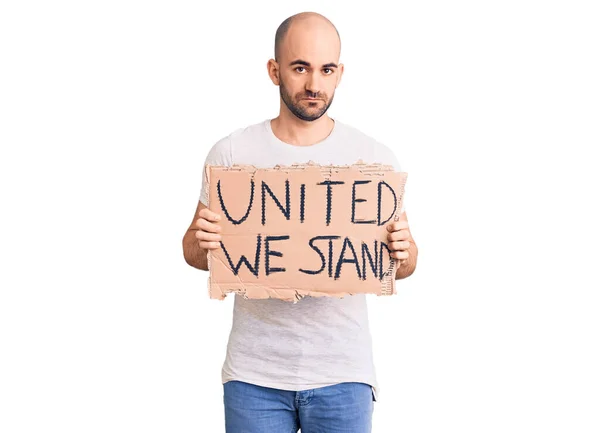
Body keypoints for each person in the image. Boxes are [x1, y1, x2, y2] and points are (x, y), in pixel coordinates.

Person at [182, 11, 418, 433]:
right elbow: (194, 252)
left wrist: (404, 251)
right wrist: (204, 242)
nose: (314, 84)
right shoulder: (232, 155)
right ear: (274, 71)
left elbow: (405, 261)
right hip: (254, 376)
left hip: (344, 373)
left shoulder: (372, 160)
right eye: (300, 68)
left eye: (326, 69)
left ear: (340, 73)